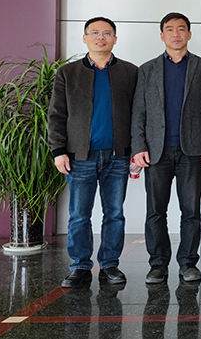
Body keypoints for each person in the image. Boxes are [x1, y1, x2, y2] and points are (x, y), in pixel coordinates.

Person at [49, 17, 138, 288]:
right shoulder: (68, 73)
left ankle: (110, 265)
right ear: (85, 38)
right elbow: (57, 114)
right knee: (79, 215)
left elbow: (139, 115)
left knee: (115, 214)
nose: (101, 37)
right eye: (95, 33)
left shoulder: (130, 72)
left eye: (107, 33)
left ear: (115, 39)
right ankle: (80, 266)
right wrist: (58, 150)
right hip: (79, 157)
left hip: (118, 156)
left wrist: (136, 151)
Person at [132, 12, 201, 284]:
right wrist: (138, 146)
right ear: (162, 35)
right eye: (170, 29)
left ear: (189, 34)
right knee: (156, 211)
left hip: (192, 150)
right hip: (157, 152)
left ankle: (188, 262)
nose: (176, 34)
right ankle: (158, 264)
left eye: (181, 29)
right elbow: (139, 112)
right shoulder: (147, 69)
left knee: (191, 210)